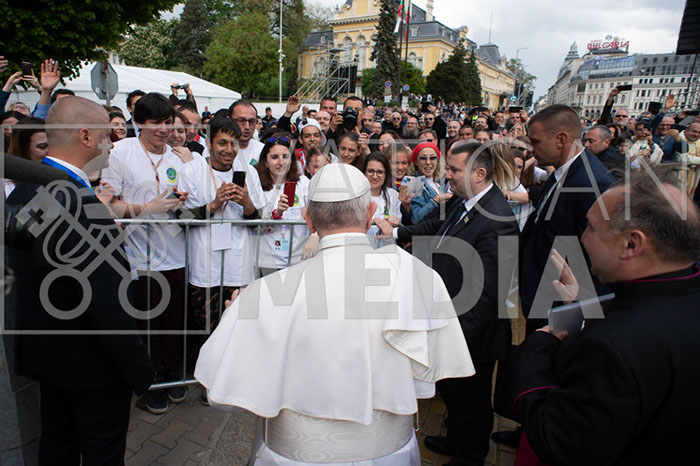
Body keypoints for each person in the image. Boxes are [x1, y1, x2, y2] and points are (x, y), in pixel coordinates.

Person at [195, 163, 475, 465]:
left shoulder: (262, 295)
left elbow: (221, 396)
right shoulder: (418, 278)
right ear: (370, 213)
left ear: (308, 220)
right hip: (392, 455)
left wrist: (234, 318)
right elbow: (433, 370)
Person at [513, 167, 700, 466]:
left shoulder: (612, 350)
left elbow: (558, 440)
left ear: (631, 244)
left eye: (591, 228)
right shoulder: (677, 292)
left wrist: (538, 347)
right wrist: (581, 303)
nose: (583, 238)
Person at [5, 96, 154, 464]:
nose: (113, 143)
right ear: (86, 136)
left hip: (49, 358)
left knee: (57, 448)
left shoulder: (28, 188)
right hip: (93, 367)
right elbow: (106, 300)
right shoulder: (80, 204)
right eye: (107, 135)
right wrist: (138, 367)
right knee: (101, 454)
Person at [376, 140, 520, 466]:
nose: (448, 175)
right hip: (451, 320)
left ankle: (470, 456)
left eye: (454, 170)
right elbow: (438, 226)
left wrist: (453, 337)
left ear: (478, 174)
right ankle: (455, 439)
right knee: (455, 395)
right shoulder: (465, 200)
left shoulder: (498, 220)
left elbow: (489, 295)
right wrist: (398, 233)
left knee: (472, 400)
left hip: (471, 334)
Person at [101, 92, 190, 414]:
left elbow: (189, 209)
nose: (164, 129)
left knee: (173, 323)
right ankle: (150, 382)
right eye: (155, 123)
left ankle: (171, 374)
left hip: (176, 254)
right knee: (147, 324)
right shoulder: (120, 152)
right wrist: (144, 209)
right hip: (139, 257)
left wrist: (183, 206)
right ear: (138, 123)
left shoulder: (179, 159)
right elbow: (108, 203)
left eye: (168, 122)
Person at [178, 117, 265, 387]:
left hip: (239, 263)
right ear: (209, 143)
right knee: (207, 327)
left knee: (237, 326)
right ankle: (209, 381)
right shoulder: (191, 170)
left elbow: (259, 220)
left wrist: (247, 203)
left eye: (234, 143)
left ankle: (234, 382)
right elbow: (180, 218)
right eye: (222, 143)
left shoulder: (248, 172)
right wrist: (214, 204)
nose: (229, 149)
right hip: (205, 263)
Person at [519, 104, 615, 333]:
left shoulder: (591, 183)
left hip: (560, 311)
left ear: (561, 140)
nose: (531, 149)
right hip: (543, 299)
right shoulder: (564, 171)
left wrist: (575, 315)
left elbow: (596, 259)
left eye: (536, 141)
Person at [256, 134, 311, 274]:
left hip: (299, 260)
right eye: (274, 157)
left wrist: (315, 235)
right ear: (265, 162)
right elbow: (255, 223)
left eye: (285, 157)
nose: (281, 162)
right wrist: (277, 213)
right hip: (268, 261)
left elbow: (316, 213)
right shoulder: (258, 186)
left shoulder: (303, 183)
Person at [363, 152, 400, 247]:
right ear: (364, 172)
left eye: (380, 172)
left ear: (386, 174)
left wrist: (395, 222)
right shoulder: (356, 196)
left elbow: (400, 225)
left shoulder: (394, 195)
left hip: (387, 248)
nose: (375, 176)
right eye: (370, 171)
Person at [409, 141, 450, 224]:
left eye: (432, 158)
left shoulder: (442, 181)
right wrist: (436, 200)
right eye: (423, 158)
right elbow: (416, 218)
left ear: (438, 161)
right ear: (416, 161)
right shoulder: (414, 184)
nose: (428, 162)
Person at [229, 99, 265, 165]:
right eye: (241, 121)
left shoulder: (262, 150)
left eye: (252, 121)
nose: (247, 127)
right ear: (229, 120)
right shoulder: (218, 151)